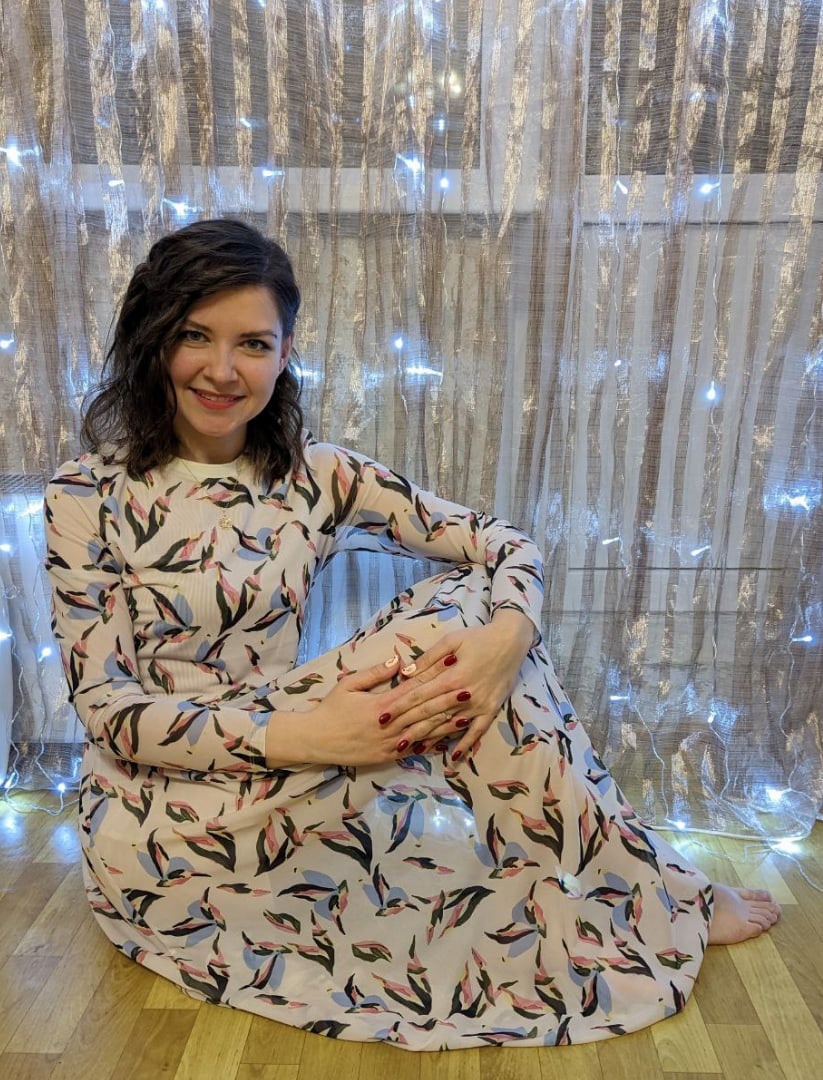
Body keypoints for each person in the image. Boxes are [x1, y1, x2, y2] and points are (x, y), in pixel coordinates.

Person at [45, 218, 779, 1051]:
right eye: (193, 336)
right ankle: (648, 884)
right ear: (153, 338)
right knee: (455, 628)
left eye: (251, 343)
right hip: (160, 815)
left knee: (471, 604)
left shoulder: (318, 475)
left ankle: (621, 876)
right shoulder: (85, 495)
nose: (222, 369)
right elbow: (106, 709)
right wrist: (310, 734)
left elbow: (502, 543)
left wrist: (506, 639)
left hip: (290, 770)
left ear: (284, 355)